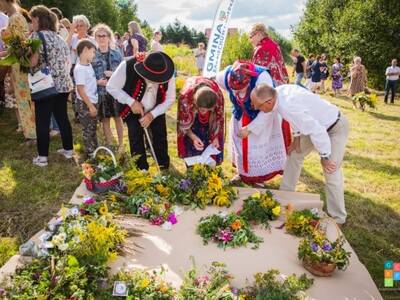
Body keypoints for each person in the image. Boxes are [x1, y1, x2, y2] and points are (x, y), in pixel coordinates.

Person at [251, 83, 349, 225]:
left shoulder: (287, 106)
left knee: (331, 170)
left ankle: (338, 217)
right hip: (316, 125)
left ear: (269, 101)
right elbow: (298, 118)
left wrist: (325, 156)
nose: (255, 108)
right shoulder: (278, 93)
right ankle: (285, 194)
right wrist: (296, 138)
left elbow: (317, 131)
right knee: (294, 154)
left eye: (258, 105)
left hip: (334, 128)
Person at [216, 61, 291, 185]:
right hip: (240, 115)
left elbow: (269, 109)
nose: (237, 93)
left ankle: (259, 178)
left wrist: (250, 128)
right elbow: (215, 80)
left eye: (241, 89)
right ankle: (242, 173)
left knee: (258, 148)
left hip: (261, 115)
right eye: (234, 90)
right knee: (240, 144)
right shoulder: (227, 74)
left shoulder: (262, 78)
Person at [107, 52, 176, 170]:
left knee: (160, 135)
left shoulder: (167, 73)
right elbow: (111, 86)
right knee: (135, 137)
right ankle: (141, 170)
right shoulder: (127, 66)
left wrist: (152, 115)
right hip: (132, 108)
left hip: (156, 107)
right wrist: (131, 102)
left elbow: (170, 99)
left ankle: (163, 165)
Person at [29, 5, 74, 167]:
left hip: (45, 84)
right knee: (62, 117)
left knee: (42, 120)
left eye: (32, 20)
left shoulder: (36, 36)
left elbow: (33, 61)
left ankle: (42, 158)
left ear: (38, 19)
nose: (31, 23)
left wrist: (23, 59)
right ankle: (69, 150)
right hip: (63, 84)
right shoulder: (58, 37)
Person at [0, 0, 36, 141]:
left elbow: (19, 47)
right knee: (24, 99)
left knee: (24, 100)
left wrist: (3, 57)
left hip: (19, 66)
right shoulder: (16, 16)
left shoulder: (14, 18)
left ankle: (32, 135)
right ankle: (32, 133)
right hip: (20, 65)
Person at [91, 24, 124, 152]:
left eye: (104, 35)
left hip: (115, 92)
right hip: (101, 92)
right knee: (105, 119)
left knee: (117, 118)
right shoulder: (92, 55)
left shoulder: (117, 54)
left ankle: (121, 144)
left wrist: (113, 74)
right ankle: (109, 145)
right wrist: (97, 82)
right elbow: (88, 75)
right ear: (95, 38)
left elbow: (124, 73)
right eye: (98, 36)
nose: (101, 38)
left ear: (109, 37)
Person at [177, 77, 224, 164]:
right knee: (191, 145)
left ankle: (208, 165)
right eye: (202, 109)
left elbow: (218, 119)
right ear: (195, 103)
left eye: (208, 110)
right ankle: (193, 166)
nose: (205, 112)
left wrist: (215, 137)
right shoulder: (186, 99)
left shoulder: (218, 97)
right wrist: (193, 137)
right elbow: (184, 125)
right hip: (192, 117)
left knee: (208, 142)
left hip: (209, 118)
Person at [74, 39, 99, 157]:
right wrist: (90, 106)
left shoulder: (88, 65)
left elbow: (89, 83)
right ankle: (90, 155)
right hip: (85, 104)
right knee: (88, 130)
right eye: (93, 52)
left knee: (93, 128)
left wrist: (99, 82)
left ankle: (96, 151)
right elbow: (80, 89)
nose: (94, 54)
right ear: (85, 50)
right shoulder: (80, 69)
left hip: (92, 102)